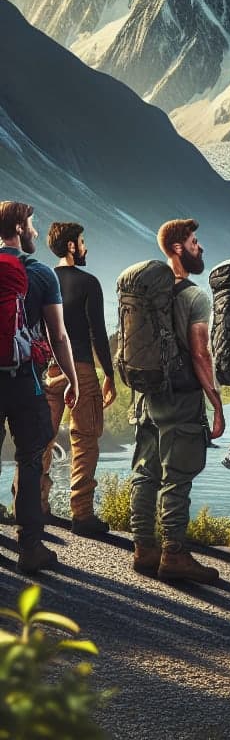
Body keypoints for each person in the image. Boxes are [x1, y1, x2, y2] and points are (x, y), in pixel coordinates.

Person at [130, 219, 224, 583]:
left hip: (146, 394)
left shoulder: (147, 293)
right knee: (177, 476)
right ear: (178, 248)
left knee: (145, 472)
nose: (200, 247)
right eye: (195, 242)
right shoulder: (195, 296)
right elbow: (201, 354)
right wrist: (215, 403)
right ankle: (174, 554)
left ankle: (144, 549)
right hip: (180, 398)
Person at [0, 201, 79, 573]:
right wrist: (72, 379)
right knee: (30, 460)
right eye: (31, 225)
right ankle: (30, 548)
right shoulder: (40, 273)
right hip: (24, 381)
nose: (35, 232)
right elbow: (58, 335)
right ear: (18, 227)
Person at [39, 221, 116, 535]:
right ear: (71, 246)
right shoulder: (89, 283)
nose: (85, 248)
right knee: (85, 441)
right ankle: (81, 515)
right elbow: (97, 333)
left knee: (40, 440)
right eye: (82, 242)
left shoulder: (41, 280)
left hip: (47, 371)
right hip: (81, 369)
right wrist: (109, 374)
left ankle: (32, 507)